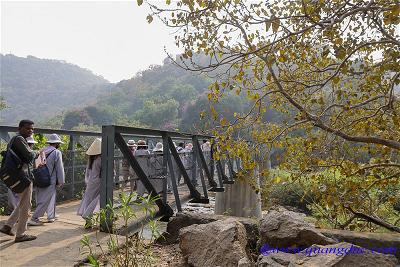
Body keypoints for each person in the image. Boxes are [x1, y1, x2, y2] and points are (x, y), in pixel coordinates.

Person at [0, 120, 45, 242]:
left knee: (22, 203)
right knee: (26, 205)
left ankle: (8, 226)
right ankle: (21, 234)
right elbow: (30, 156)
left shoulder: (16, 140)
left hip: (19, 175)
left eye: (32, 129)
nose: (30, 131)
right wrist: (37, 152)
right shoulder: (19, 139)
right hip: (23, 177)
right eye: (27, 128)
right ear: (20, 128)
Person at [28, 134, 65, 226]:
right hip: (50, 180)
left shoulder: (42, 151)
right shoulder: (56, 152)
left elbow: (37, 165)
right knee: (45, 200)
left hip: (40, 178)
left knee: (44, 198)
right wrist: (61, 180)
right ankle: (34, 218)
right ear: (57, 143)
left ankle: (51, 215)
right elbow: (59, 168)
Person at [7, 136, 37, 212]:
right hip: (24, 179)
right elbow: (33, 167)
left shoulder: (16, 152)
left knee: (15, 199)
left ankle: (13, 220)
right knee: (25, 202)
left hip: (13, 177)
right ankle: (16, 219)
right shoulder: (30, 154)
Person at [77, 138, 102, 228]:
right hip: (98, 182)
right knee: (97, 199)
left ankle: (88, 222)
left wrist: (87, 181)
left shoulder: (91, 159)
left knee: (88, 200)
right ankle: (87, 214)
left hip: (90, 182)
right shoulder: (101, 159)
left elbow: (87, 172)